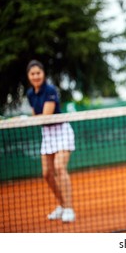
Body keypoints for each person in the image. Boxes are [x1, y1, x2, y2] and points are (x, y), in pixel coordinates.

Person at [26, 60, 76, 222]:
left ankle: (69, 209)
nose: (36, 76)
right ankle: (62, 205)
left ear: (43, 74)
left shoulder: (50, 90)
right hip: (47, 134)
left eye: (38, 73)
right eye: (32, 74)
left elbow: (46, 116)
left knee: (59, 167)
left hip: (61, 131)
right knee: (47, 174)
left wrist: (26, 119)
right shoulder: (30, 94)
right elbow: (36, 116)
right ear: (28, 76)